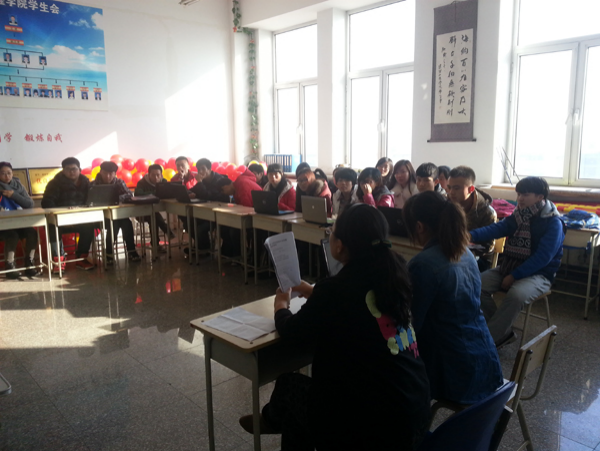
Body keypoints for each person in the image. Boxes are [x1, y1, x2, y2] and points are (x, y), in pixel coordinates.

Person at [239, 204, 431, 450]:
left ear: (340, 245)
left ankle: (269, 420)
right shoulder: (394, 273)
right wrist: (314, 292)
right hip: (414, 413)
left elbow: (293, 333)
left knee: (289, 387)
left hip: (374, 429)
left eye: (331, 232)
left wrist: (281, 305)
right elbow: (359, 304)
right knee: (298, 414)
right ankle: (274, 420)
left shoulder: (336, 289)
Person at [403, 191, 503, 404]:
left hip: (454, 372)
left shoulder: (423, 264)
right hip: (485, 361)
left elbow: (411, 324)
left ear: (419, 227)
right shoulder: (466, 253)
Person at [470, 177, 565, 347]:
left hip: (540, 274)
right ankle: (501, 333)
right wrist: (469, 235)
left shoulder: (553, 222)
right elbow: (496, 229)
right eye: (519, 194)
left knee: (516, 295)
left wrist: (514, 275)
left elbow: (543, 258)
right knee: (474, 285)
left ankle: (487, 342)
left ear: (540, 197)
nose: (520, 198)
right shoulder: (518, 216)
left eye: (525, 195)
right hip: (510, 267)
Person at [41, 157, 96, 272]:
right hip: (60, 219)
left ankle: (81, 258)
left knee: (89, 227)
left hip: (80, 219)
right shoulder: (54, 184)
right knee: (52, 228)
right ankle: (59, 260)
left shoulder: (86, 183)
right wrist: (64, 210)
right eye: (68, 169)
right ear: (63, 171)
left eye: (74, 169)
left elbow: (91, 200)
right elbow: (46, 203)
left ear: (79, 170)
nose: (72, 172)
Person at [446, 166, 497, 272]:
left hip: (478, 259)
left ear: (471, 189)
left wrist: (457, 250)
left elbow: (487, 247)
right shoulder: (445, 205)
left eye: (456, 188)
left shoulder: (487, 212)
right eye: (449, 187)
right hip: (449, 252)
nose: (451, 192)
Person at [92, 161, 141, 264]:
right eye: (105, 173)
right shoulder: (94, 184)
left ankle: (127, 251)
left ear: (115, 174)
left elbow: (129, 194)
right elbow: (89, 199)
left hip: (117, 215)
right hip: (99, 217)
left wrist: (116, 198)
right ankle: (115, 252)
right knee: (115, 223)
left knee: (125, 222)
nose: (108, 176)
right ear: (100, 172)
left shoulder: (119, 182)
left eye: (111, 174)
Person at [0, 162, 40, 279]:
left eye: (9, 173)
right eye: (3, 173)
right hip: (2, 225)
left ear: (12, 174)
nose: (6, 176)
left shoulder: (18, 185)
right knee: (12, 234)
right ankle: (10, 266)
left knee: (31, 232)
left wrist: (14, 195)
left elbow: (30, 204)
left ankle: (29, 263)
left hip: (18, 221)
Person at [134, 164, 172, 245]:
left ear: (161, 175)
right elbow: (137, 194)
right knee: (153, 216)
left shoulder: (164, 182)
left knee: (154, 216)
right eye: (153, 175)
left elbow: (168, 192)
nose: (156, 178)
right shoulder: (141, 183)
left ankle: (155, 244)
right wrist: (155, 193)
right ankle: (167, 232)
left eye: (158, 175)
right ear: (148, 175)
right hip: (141, 212)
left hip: (155, 210)